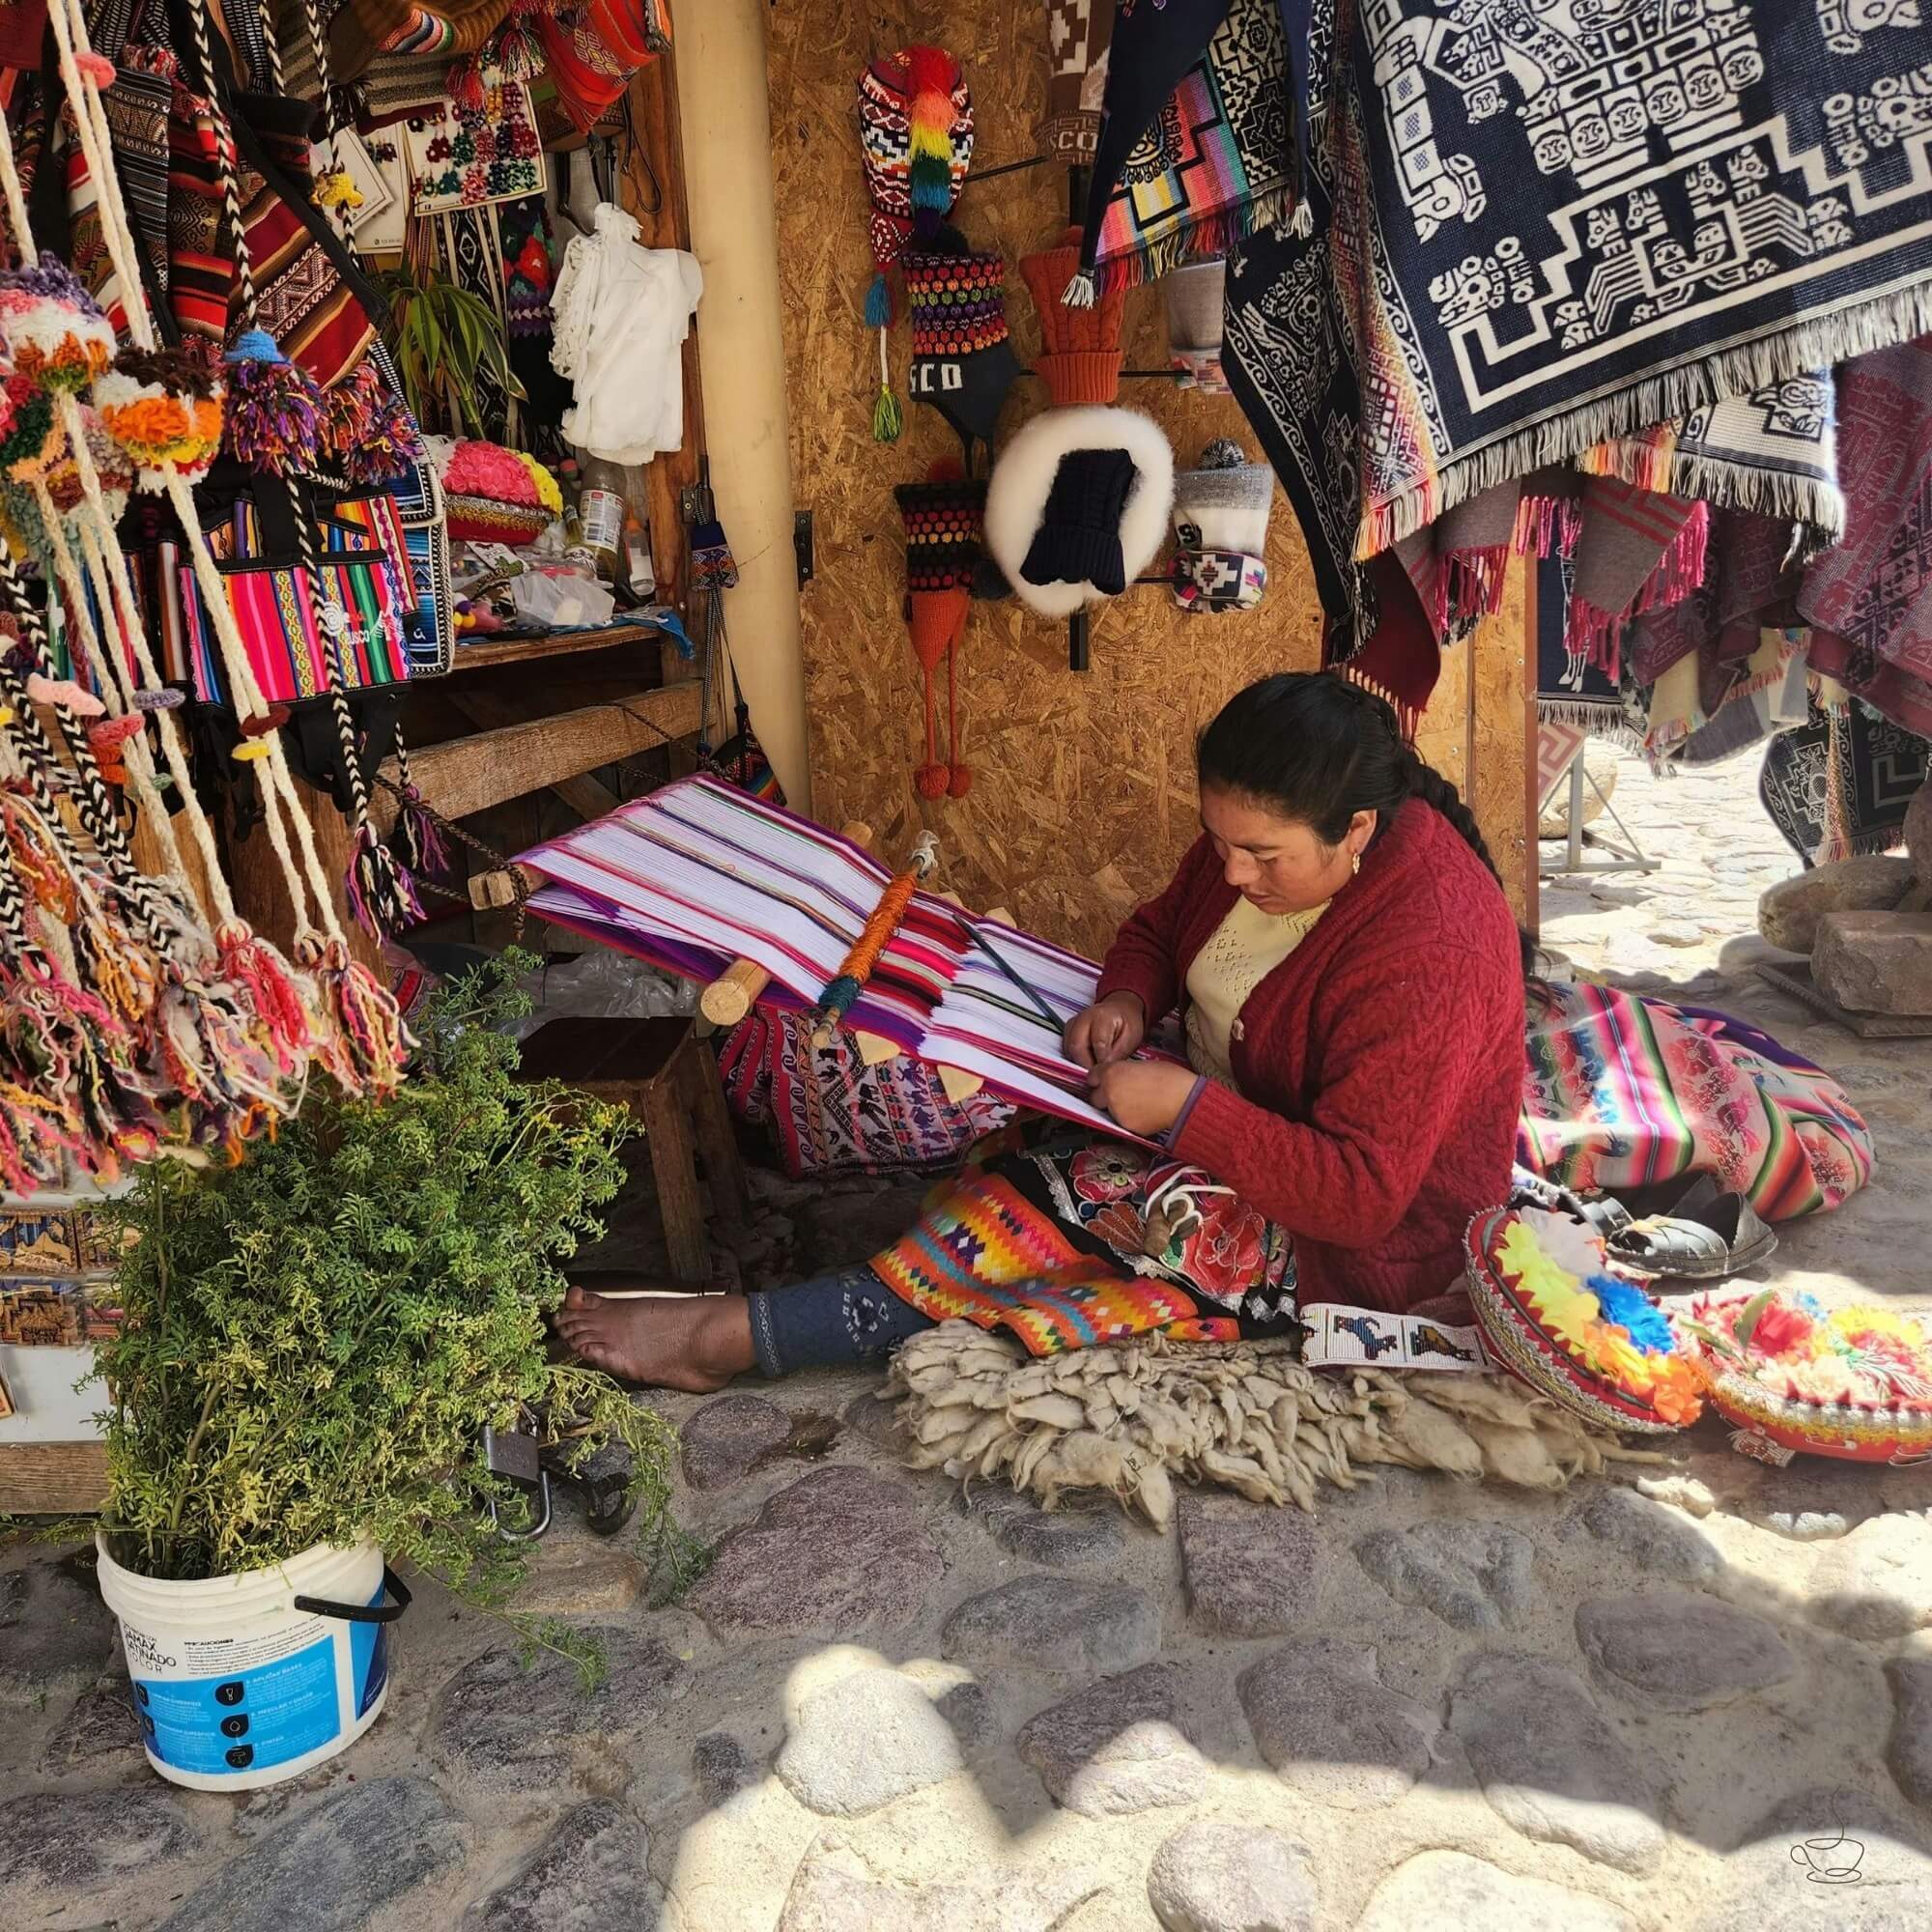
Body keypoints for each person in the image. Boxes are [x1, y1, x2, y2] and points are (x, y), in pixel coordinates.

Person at [556, 672, 1528, 1391]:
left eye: (1258, 855)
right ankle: (861, 1291)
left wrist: (1185, 1107)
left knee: (1046, 1197)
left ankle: (726, 1338)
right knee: (1013, 1142)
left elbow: (1360, 1195)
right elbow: (1158, 927)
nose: (1229, 871)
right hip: (1241, 1125)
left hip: (1360, 1248)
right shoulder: (1253, 840)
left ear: (1355, 831)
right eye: (1218, 840)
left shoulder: (1427, 946)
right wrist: (1129, 1002)